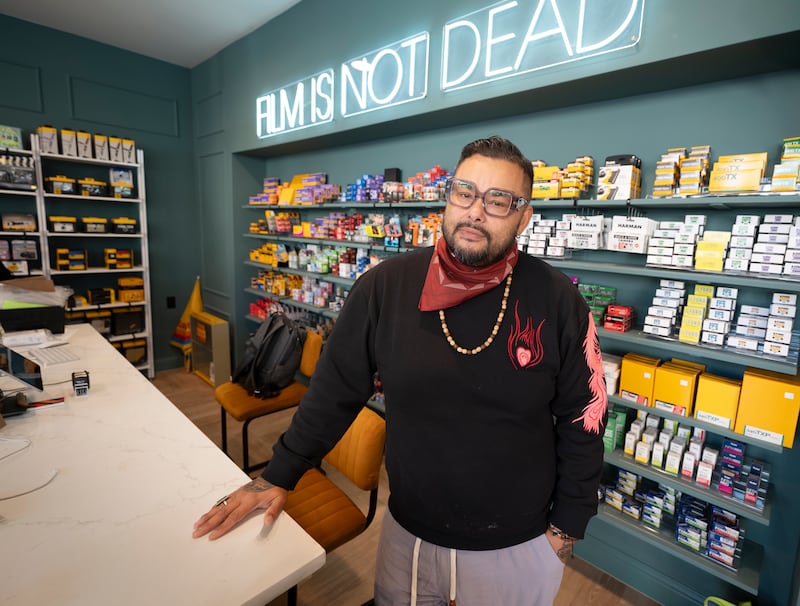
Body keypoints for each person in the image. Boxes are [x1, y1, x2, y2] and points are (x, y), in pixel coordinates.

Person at [193, 136, 608, 605]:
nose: (475, 211)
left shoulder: (557, 300)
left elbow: (585, 416)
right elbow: (333, 393)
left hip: (516, 544)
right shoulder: (385, 287)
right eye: (465, 192)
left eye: (498, 201)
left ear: (524, 216)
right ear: (448, 197)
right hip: (409, 533)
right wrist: (277, 475)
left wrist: (565, 530)